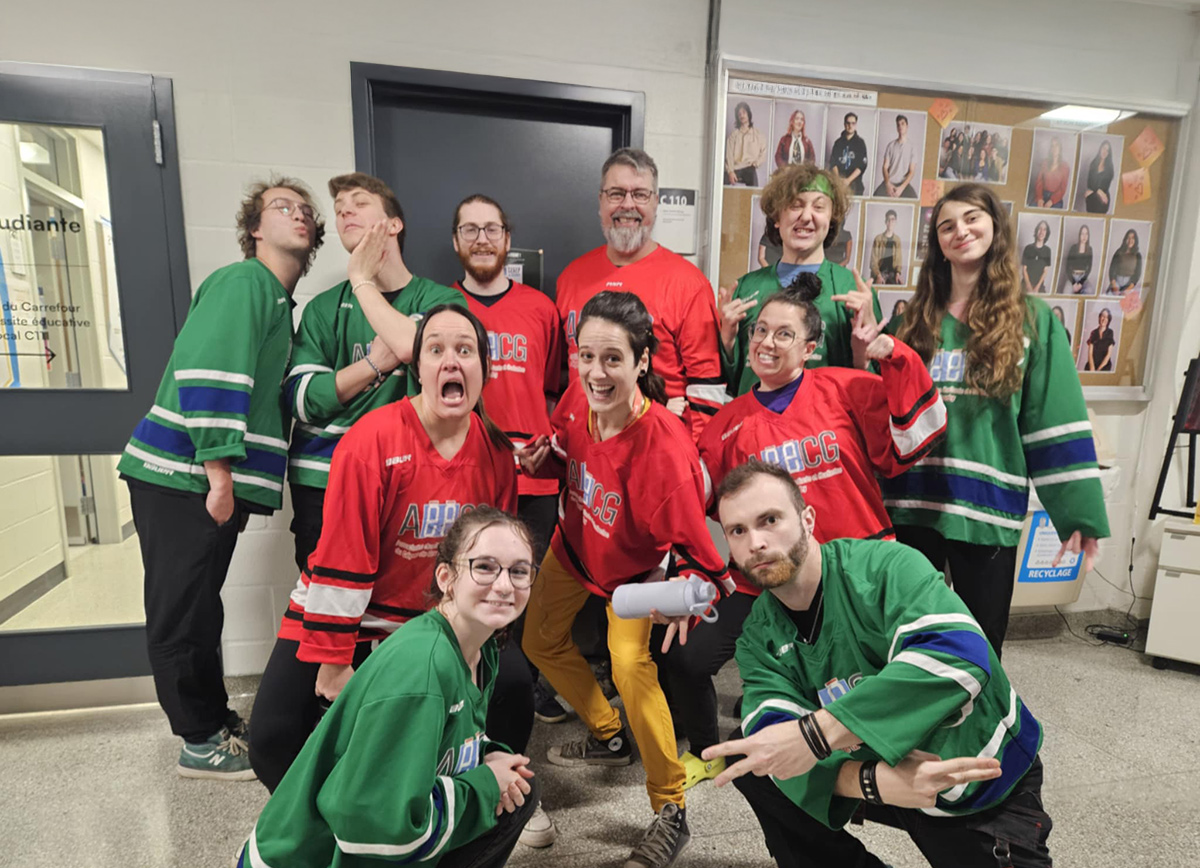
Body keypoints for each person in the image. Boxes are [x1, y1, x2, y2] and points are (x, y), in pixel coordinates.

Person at [665, 273, 946, 791]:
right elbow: (694, 499)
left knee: (883, 663)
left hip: (855, 568)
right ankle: (709, 751)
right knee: (685, 655)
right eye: (760, 332)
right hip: (766, 578)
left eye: (784, 334)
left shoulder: (848, 388)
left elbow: (913, 441)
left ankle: (882, 753)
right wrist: (690, 579)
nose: (767, 343)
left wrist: (893, 355)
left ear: (811, 348)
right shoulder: (729, 421)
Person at [703, 460, 1055, 868]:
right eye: (738, 531)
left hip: (976, 780)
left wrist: (819, 733)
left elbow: (961, 654)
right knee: (754, 759)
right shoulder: (758, 634)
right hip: (884, 776)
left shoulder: (886, 567)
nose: (756, 543)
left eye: (770, 520)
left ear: (807, 519)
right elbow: (772, 738)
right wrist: (875, 783)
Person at [249, 306, 533, 797]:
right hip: (347, 610)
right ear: (416, 369)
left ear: (483, 370)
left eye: (465, 350)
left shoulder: (496, 453)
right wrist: (335, 660)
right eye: (436, 349)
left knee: (511, 689)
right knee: (273, 739)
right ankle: (325, 822)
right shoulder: (371, 441)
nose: (451, 361)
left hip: (439, 615)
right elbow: (343, 558)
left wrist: (477, 639)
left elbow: (495, 568)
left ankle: (485, 797)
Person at [117, 176, 323, 780]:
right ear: (254, 229)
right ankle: (198, 740)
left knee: (200, 607)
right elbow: (209, 374)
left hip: (197, 478)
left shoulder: (274, 301)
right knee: (182, 610)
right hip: (186, 477)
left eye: (307, 210)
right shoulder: (245, 283)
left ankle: (209, 717)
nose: (300, 214)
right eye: (283, 206)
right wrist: (219, 477)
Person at [518, 291, 734, 868]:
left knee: (631, 668)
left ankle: (671, 808)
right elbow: (576, 457)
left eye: (612, 359)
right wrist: (550, 461)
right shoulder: (576, 398)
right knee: (538, 640)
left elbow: (701, 552)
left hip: (635, 577)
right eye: (585, 356)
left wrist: (688, 593)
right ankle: (608, 735)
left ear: (642, 362)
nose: (595, 372)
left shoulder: (665, 446)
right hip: (573, 547)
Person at [237, 507, 541, 868]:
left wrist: (487, 756)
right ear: (446, 577)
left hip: (371, 837)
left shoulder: (481, 647)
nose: (505, 585)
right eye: (485, 567)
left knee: (520, 785)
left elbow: (448, 740)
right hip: (319, 856)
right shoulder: (422, 669)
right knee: (501, 790)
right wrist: (486, 784)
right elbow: (375, 830)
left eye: (519, 571)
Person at [885, 183, 1110, 654]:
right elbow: (876, 409)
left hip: (985, 508)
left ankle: (978, 725)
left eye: (972, 219)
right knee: (903, 636)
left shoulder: (1032, 321)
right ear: (937, 243)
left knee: (981, 643)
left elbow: (1053, 419)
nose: (960, 231)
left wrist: (1080, 514)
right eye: (947, 225)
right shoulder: (910, 321)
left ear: (995, 228)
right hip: (910, 503)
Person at [449, 193, 571, 785]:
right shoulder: (443, 310)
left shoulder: (541, 309)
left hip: (538, 477)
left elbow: (553, 390)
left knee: (531, 588)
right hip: (474, 478)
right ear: (456, 241)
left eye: (491, 228)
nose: (481, 239)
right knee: (476, 583)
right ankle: (473, 691)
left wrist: (543, 441)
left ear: (507, 239)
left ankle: (522, 691)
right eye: (469, 229)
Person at [285, 173, 463, 573]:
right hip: (324, 478)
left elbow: (411, 349)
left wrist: (361, 279)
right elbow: (301, 399)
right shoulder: (322, 309)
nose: (344, 210)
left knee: (412, 603)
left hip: (413, 479)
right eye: (339, 207)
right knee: (330, 608)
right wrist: (371, 366)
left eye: (360, 202)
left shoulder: (442, 301)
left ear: (394, 224)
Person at [557, 148, 724, 442]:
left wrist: (696, 459)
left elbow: (706, 387)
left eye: (640, 195)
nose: (628, 205)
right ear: (601, 201)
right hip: (584, 451)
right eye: (616, 193)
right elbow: (564, 376)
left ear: (656, 202)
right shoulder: (571, 277)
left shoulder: (689, 283)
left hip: (657, 449)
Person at [718, 164, 881, 398]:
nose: (806, 216)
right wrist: (727, 342)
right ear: (777, 217)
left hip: (825, 429)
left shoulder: (853, 290)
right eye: (795, 205)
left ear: (831, 219)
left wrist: (864, 353)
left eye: (818, 207)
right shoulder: (746, 288)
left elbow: (875, 390)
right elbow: (730, 384)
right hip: (756, 427)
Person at [873, 114, 917, 198]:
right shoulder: (890, 145)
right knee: (875, 196)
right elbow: (885, 167)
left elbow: (912, 171)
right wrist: (888, 184)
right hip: (889, 181)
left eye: (902, 123)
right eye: (898, 124)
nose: (900, 126)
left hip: (903, 184)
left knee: (914, 198)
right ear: (897, 128)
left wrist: (901, 188)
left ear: (907, 126)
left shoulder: (912, 147)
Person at [725, 101, 768, 187]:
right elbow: (729, 155)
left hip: (749, 169)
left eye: (744, 112)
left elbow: (763, 152)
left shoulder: (758, 134)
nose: (742, 115)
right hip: (735, 169)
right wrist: (730, 171)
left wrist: (756, 163)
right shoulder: (733, 136)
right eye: (739, 114)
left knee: (753, 190)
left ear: (748, 114)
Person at [828, 112, 868, 195]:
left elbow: (862, 165)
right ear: (844, 124)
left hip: (855, 185)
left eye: (853, 123)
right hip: (839, 184)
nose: (850, 126)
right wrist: (839, 180)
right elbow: (833, 163)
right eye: (848, 123)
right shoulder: (838, 143)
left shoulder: (860, 143)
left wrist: (848, 181)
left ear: (856, 125)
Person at [1031, 137, 1068, 209]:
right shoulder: (1045, 163)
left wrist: (1052, 201)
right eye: (1052, 146)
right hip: (1042, 194)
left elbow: (1062, 188)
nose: (1054, 148)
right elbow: (1039, 181)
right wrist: (1039, 198)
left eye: (1056, 145)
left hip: (1056, 198)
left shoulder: (1065, 166)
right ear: (1050, 149)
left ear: (1060, 148)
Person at [869, 209, 904, 286]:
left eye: (893, 219)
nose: (890, 222)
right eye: (888, 220)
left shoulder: (897, 239)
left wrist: (898, 273)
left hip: (892, 273)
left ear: (895, 222)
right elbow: (873, 261)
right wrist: (878, 275)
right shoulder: (878, 238)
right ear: (885, 222)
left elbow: (899, 259)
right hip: (880, 272)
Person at [1020, 219, 1052, 294]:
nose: (1041, 232)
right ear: (1036, 231)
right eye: (1040, 229)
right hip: (1025, 285)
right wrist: (1029, 287)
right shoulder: (1028, 248)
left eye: (1044, 229)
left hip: (1039, 286)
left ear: (1046, 233)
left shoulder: (1047, 250)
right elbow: (1024, 269)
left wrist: (1036, 288)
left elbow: (1045, 271)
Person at [1083, 140, 1115, 214]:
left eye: (1107, 150)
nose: (1105, 151)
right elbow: (1089, 183)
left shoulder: (1109, 168)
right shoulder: (1093, 164)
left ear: (1109, 153)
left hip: (1102, 198)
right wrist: (1098, 191)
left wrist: (1097, 191)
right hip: (1093, 196)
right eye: (1104, 148)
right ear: (1100, 149)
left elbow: (1105, 187)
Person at [1106, 229, 1143, 293]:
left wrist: (1128, 290)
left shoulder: (1138, 255)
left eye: (1132, 238)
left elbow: (1137, 275)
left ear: (1135, 240)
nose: (1130, 240)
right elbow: (1112, 270)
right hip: (1117, 281)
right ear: (1125, 239)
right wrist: (1114, 286)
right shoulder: (1119, 252)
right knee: (1110, 295)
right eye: (1128, 238)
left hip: (1129, 284)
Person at [1061, 223, 1094, 294]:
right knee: (1066, 292)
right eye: (1082, 234)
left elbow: (1089, 269)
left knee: (1090, 290)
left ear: (1088, 236)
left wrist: (1081, 283)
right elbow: (1067, 267)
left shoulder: (1090, 249)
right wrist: (1073, 283)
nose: (1084, 236)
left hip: (1083, 277)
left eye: (1086, 234)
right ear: (1079, 235)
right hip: (1072, 277)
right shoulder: (1073, 248)